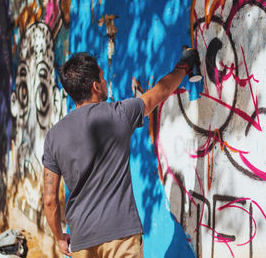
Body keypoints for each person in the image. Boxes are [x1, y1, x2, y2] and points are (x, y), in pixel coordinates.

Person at [42, 48, 200, 257]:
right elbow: (159, 92)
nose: (106, 81)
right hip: (121, 237)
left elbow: (50, 200)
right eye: (103, 77)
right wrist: (185, 65)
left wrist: (60, 237)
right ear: (96, 86)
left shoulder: (54, 136)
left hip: (82, 240)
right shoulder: (118, 114)